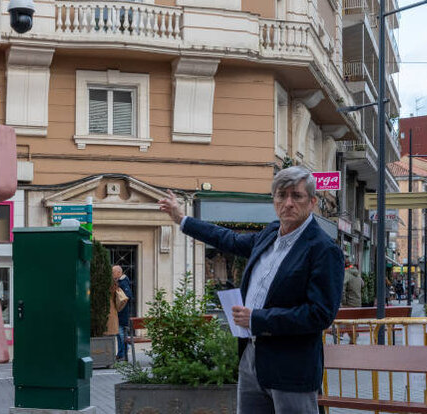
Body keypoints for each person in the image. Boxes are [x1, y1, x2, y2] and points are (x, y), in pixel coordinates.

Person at [158, 166, 343, 414]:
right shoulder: (268, 235)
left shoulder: (323, 249)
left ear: (312, 202)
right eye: (281, 195)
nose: (288, 203)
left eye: (296, 196)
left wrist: (257, 319)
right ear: (274, 200)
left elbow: (320, 314)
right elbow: (228, 239)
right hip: (252, 357)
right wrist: (183, 220)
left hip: (292, 367)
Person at [113, 265, 134, 361]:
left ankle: (124, 352)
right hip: (119, 313)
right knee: (119, 334)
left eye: (113, 272)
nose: (112, 274)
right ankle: (121, 353)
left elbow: (128, 296)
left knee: (121, 334)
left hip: (122, 313)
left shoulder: (123, 282)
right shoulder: (119, 282)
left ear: (119, 272)